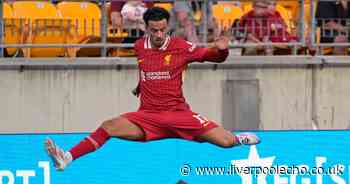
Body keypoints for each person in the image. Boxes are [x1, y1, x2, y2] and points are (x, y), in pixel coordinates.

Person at [45, 7, 260, 171]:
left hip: (178, 115)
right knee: (108, 126)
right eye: (154, 30)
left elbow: (211, 56)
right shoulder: (140, 46)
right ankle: (67, 157)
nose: (159, 34)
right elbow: (147, 69)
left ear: (167, 27)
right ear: (146, 28)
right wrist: (140, 86)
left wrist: (221, 51)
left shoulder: (180, 46)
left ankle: (238, 139)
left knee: (226, 141)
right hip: (147, 116)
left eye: (163, 30)